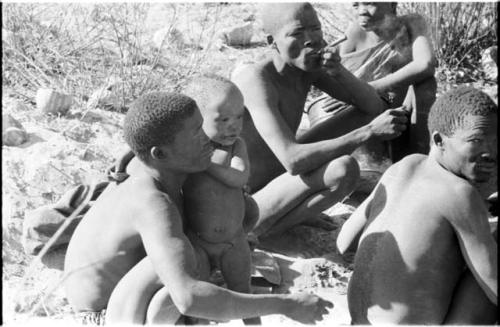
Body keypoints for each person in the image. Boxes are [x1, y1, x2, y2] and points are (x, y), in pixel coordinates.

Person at [63, 92, 333, 325]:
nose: (206, 138)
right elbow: (188, 298)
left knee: (214, 233)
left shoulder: (149, 164)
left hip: (120, 295)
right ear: (160, 154)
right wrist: (287, 305)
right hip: (105, 316)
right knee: (186, 263)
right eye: (195, 134)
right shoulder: (153, 203)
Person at [231, 2, 409, 240]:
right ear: (271, 42)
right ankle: (261, 232)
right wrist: (367, 133)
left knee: (363, 118)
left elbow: (372, 107)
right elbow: (292, 160)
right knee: (343, 170)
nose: (311, 40)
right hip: (241, 205)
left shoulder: (306, 67)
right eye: (297, 33)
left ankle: (286, 215)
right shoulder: (256, 80)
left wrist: (339, 72)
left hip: (277, 178)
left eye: (315, 28)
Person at [336, 86, 497, 324]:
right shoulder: (459, 194)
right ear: (439, 140)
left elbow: (344, 242)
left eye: (496, 141)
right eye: (476, 141)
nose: (490, 152)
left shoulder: (402, 167)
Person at [306, 2, 437, 161]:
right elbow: (340, 82)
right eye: (355, 5)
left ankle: (418, 158)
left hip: (392, 99)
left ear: (392, 4)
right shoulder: (355, 32)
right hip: (365, 110)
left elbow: (426, 64)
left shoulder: (411, 24)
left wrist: (372, 88)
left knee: (426, 84)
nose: (362, 12)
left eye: (369, 3)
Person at [182, 74, 260, 325]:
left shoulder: (236, 147)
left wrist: (206, 164)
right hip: (198, 242)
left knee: (244, 295)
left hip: (233, 241)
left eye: (239, 116)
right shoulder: (186, 150)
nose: (234, 126)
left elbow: (239, 177)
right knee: (200, 304)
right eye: (223, 119)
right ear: (196, 120)